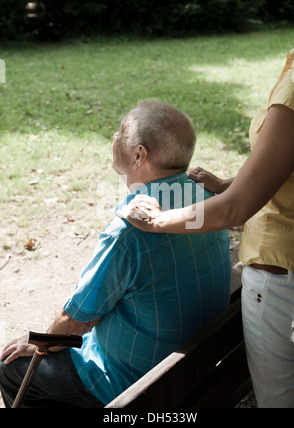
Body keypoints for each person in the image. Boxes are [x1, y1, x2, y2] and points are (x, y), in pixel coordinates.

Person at [118, 3, 294, 408]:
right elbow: (285, 167)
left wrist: (160, 220)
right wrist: (225, 183)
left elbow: (233, 212)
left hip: (285, 285)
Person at [0, 99, 231, 408]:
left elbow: (76, 318)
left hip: (134, 384)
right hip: (193, 364)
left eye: (121, 131)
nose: (114, 136)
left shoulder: (131, 229)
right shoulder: (205, 195)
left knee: (10, 369)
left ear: (139, 154)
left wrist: (40, 341)